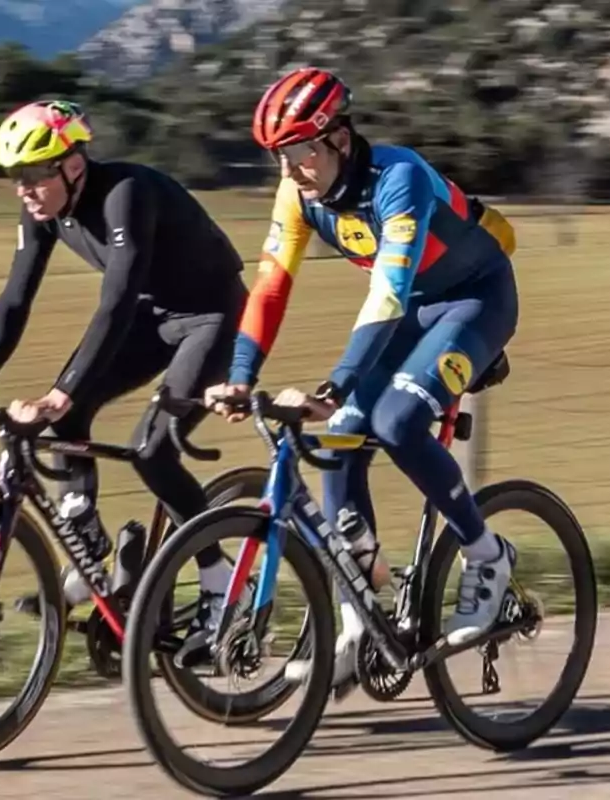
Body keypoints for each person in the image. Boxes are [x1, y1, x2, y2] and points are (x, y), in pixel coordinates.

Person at [205, 67, 521, 696]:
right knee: (341, 437)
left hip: (475, 301)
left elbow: (388, 290)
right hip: (413, 313)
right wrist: (240, 375)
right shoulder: (297, 196)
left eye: (300, 153)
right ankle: (359, 620)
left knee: (396, 420)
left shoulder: (396, 177)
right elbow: (270, 284)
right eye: (278, 158)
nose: (291, 171)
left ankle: (487, 555)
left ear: (339, 139)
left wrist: (335, 384)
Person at [0, 99, 246, 661]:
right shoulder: (42, 212)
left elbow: (118, 298)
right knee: (67, 416)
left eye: (34, 176)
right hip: (155, 316)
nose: (25, 191)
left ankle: (223, 581)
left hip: (214, 316)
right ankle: (87, 546)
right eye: (15, 179)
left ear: (73, 166)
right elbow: (15, 298)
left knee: (151, 450)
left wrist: (62, 390)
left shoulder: (126, 193)